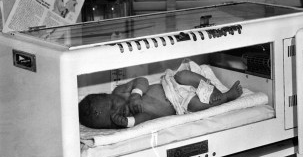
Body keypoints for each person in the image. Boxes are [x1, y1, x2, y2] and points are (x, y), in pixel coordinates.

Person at [79, 60, 243, 129]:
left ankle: (212, 88)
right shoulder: (131, 117)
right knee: (197, 105)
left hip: (171, 85)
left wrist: (136, 94)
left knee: (183, 75)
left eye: (113, 106)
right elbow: (147, 118)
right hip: (180, 103)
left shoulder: (120, 91)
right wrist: (129, 122)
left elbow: (142, 80)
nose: (117, 112)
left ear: (109, 96)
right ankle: (226, 97)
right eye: (111, 118)